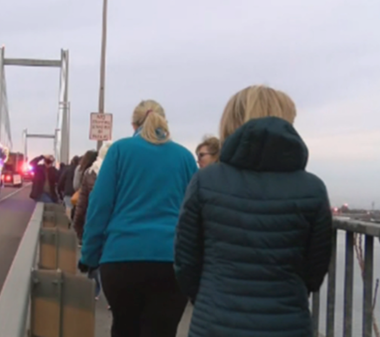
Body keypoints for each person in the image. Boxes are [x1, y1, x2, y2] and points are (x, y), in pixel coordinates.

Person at [174, 85, 333, 337]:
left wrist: (210, 295)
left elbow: (186, 264)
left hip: (215, 323)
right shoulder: (313, 189)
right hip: (287, 324)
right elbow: (314, 273)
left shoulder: (206, 182)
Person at [78, 100, 198, 337]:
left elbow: (99, 206)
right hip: (170, 262)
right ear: (165, 123)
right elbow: (195, 214)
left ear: (133, 124)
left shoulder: (119, 152)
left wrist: (89, 256)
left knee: (124, 327)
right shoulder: (185, 158)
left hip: (121, 260)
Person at [73, 142, 112, 303]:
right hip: (114, 225)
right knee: (109, 259)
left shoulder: (90, 173)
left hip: (93, 220)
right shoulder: (121, 172)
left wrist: (78, 224)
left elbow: (82, 202)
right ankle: (110, 297)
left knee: (94, 255)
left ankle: (94, 290)